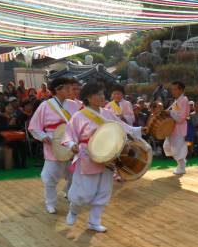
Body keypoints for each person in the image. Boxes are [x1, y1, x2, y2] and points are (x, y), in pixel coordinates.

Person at [62, 81, 143, 232]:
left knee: (104, 190)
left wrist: (136, 130)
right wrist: (71, 144)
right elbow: (69, 134)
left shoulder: (107, 113)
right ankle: (74, 209)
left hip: (109, 156)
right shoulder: (79, 116)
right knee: (85, 192)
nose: (102, 97)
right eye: (98, 94)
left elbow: (121, 127)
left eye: (102, 93)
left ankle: (94, 221)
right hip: (87, 155)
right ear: (88, 97)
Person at [28, 77, 80, 214]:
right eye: (67, 88)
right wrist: (43, 137)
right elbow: (34, 127)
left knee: (75, 173)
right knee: (51, 177)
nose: (71, 91)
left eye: (71, 88)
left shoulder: (74, 105)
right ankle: (50, 203)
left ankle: (68, 192)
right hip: (54, 143)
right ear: (57, 90)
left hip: (71, 143)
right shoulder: (45, 105)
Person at [164, 81, 190, 175]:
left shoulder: (184, 100)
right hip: (173, 128)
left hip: (179, 128)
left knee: (178, 148)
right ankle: (181, 164)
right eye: (172, 89)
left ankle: (182, 167)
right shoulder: (177, 100)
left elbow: (181, 117)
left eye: (175, 89)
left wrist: (170, 113)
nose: (173, 91)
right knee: (169, 146)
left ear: (181, 90)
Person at [0, 102, 28, 168]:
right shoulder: (0, 117)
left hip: (14, 136)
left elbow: (18, 127)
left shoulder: (14, 116)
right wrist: (10, 124)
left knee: (23, 143)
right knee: (14, 143)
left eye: (11, 106)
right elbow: (0, 129)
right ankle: (17, 163)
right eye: (8, 106)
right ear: (4, 108)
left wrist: (20, 127)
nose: (10, 108)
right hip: (4, 138)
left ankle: (23, 163)